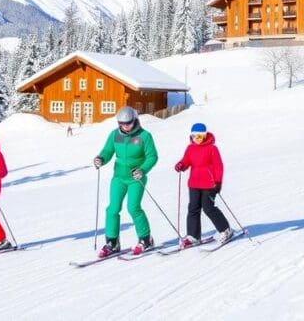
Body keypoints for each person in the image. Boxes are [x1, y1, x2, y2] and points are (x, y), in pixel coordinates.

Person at [93, 106, 158, 256]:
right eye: (121, 123)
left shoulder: (144, 136)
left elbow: (152, 157)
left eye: (128, 123)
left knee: (133, 207)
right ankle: (112, 242)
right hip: (119, 178)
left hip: (136, 178)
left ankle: (146, 239)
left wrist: (142, 170)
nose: (125, 126)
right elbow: (108, 151)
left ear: (135, 120)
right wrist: (101, 158)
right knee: (112, 209)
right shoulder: (115, 135)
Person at [174, 123, 232, 247]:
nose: (197, 139)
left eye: (200, 136)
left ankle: (225, 229)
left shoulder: (212, 148)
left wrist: (218, 182)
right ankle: (193, 236)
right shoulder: (190, 148)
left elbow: (218, 166)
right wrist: (181, 165)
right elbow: (186, 161)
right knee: (193, 208)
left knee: (208, 208)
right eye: (194, 136)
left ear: (205, 135)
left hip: (209, 184)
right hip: (194, 183)